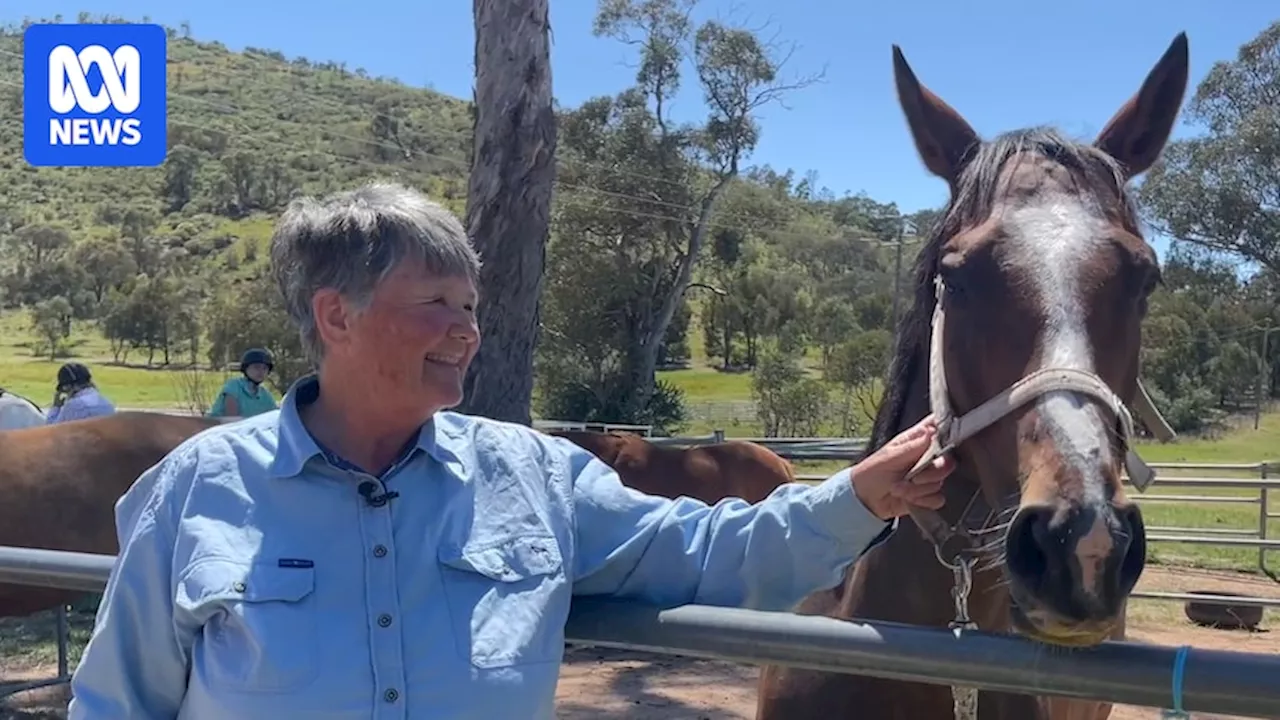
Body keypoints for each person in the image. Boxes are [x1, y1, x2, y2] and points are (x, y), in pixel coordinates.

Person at [68, 182, 955, 720]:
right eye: (437, 305)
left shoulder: (532, 477)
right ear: (337, 316)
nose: (467, 333)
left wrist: (859, 496)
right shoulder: (196, 489)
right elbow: (117, 702)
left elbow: (707, 554)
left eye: (471, 307)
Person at [208, 348, 279, 419]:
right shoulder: (234, 386)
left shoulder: (265, 395)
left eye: (265, 368)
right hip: (220, 428)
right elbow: (231, 419)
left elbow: (275, 418)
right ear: (245, 368)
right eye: (256, 367)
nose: (261, 371)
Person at [45, 362, 115, 424]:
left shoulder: (74, 405)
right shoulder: (107, 403)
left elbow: (51, 431)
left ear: (69, 386)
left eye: (64, 388)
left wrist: (56, 406)